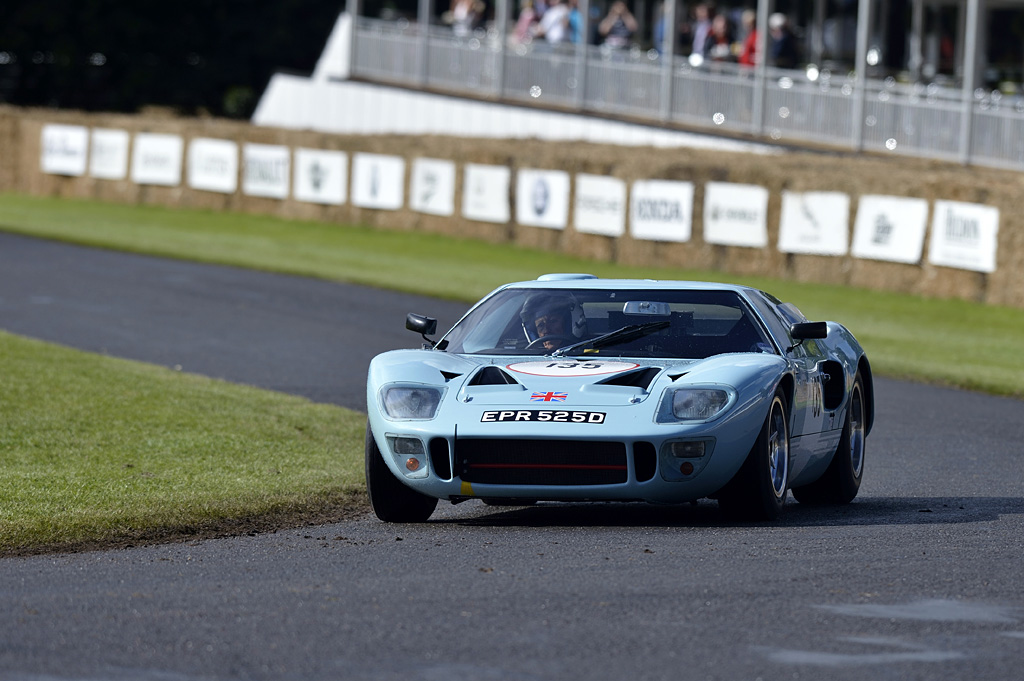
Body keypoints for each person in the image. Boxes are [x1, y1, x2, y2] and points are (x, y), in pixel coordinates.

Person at [520, 292, 587, 351]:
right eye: (541, 325)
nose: (546, 330)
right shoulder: (520, 352)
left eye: (553, 321)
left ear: (568, 324)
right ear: (535, 332)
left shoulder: (591, 347)